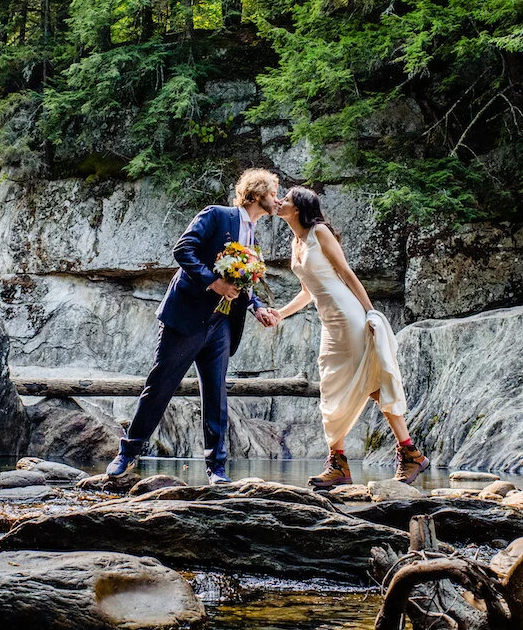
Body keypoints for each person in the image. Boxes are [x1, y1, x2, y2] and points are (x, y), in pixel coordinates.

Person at [106, 169, 281, 484]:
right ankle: (127, 453)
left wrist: (257, 308)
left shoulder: (254, 236)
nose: (277, 199)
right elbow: (182, 250)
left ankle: (217, 469)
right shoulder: (216, 215)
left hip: (222, 324)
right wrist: (213, 284)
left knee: (216, 395)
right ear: (256, 194)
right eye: (273, 193)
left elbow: (244, 286)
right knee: (160, 387)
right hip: (187, 318)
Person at [273, 186, 428, 488]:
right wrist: (280, 313)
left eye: (286, 200)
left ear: (299, 208)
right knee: (330, 387)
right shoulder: (296, 242)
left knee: (372, 382)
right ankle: (339, 466)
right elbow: (307, 292)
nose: (279, 202)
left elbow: (346, 273)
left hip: (349, 316)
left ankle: (411, 453)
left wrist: (371, 313)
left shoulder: (319, 232)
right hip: (329, 323)